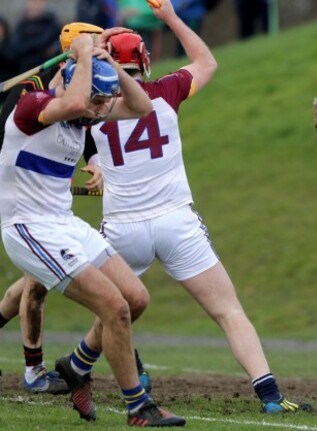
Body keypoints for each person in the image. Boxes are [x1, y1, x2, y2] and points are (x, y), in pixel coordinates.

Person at [86, 0, 310, 414]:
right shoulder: (166, 91)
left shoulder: (90, 108)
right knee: (228, 311)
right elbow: (206, 62)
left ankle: (86, 365)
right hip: (176, 222)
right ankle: (270, 396)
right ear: (143, 62)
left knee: (111, 311)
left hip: (122, 228)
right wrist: (170, 17)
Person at [0, 35, 185, 426]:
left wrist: (110, 63)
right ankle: (139, 406)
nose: (99, 111)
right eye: (98, 100)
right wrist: (83, 56)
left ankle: (76, 366)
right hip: (29, 230)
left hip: (65, 224)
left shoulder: (86, 112)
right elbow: (75, 102)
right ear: (71, 81)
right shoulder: (33, 107)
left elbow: (142, 106)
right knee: (114, 308)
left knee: (135, 298)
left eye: (105, 101)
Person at [5, 0, 60, 73]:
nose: (35, 5)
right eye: (32, 1)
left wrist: (27, 45)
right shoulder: (21, 25)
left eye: (38, 2)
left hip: (46, 69)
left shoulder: (51, 23)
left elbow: (44, 41)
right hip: (24, 69)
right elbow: (16, 47)